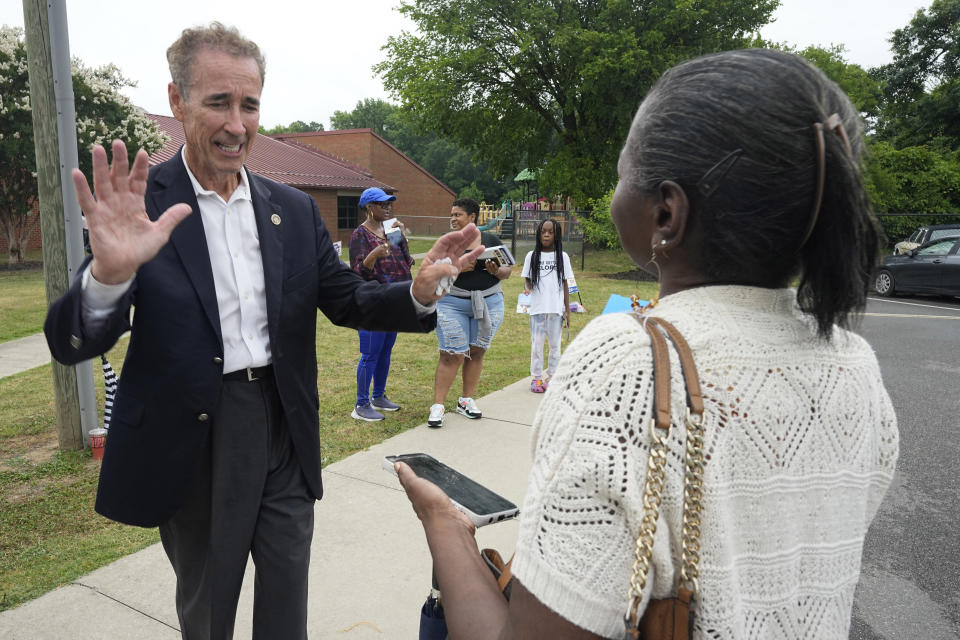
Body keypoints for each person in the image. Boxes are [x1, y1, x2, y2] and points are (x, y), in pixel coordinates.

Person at [395, 48, 899, 639]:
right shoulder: (854, 362)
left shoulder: (629, 363)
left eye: (619, 174)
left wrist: (444, 527)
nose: (613, 196)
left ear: (666, 212)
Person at [43, 23, 482, 640]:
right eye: (218, 102)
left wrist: (417, 290)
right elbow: (72, 342)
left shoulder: (293, 209)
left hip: (282, 426)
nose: (237, 123)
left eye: (249, 105)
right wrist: (110, 276)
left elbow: (346, 298)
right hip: (195, 437)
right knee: (209, 611)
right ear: (178, 102)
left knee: (286, 606)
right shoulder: (144, 205)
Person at [427, 198, 512, 428]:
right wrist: (456, 268)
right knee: (451, 354)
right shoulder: (446, 243)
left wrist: (497, 271)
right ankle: (438, 406)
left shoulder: (491, 240)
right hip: (452, 303)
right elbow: (431, 274)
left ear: (472, 217)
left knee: (477, 351)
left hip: (489, 303)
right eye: (452, 215)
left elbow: (508, 270)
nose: (453, 219)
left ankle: (466, 400)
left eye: (458, 215)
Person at [348, 187, 413, 421]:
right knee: (370, 353)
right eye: (382, 204)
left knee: (385, 351)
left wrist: (402, 237)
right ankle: (361, 404)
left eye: (389, 204)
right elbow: (357, 271)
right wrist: (375, 254)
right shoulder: (360, 234)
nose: (387, 208)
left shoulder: (391, 230)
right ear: (369, 207)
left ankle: (378, 396)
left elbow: (407, 261)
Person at [521, 218, 572, 393]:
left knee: (555, 347)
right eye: (543, 231)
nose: (546, 235)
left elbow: (565, 284)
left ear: (556, 235)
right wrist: (527, 289)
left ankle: (552, 376)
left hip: (556, 310)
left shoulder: (562, 257)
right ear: (538, 234)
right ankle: (536, 378)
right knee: (536, 346)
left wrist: (567, 310)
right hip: (537, 310)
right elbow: (527, 280)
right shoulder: (532, 256)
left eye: (550, 232)